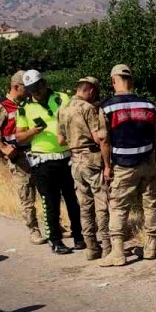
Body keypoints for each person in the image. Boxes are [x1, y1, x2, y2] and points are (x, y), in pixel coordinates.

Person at [99, 64, 156, 267]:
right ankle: (151, 247)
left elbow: (104, 141)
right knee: (151, 204)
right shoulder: (148, 105)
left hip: (123, 166)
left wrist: (107, 166)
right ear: (132, 81)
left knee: (118, 207)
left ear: (113, 81)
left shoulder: (107, 107)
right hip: (148, 161)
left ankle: (118, 253)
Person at [15, 69, 84, 255]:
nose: (35, 92)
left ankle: (79, 236)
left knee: (73, 200)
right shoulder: (24, 108)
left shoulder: (62, 98)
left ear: (43, 83)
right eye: (31, 89)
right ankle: (55, 241)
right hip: (43, 160)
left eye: (37, 87)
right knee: (50, 202)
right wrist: (33, 132)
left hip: (67, 156)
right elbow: (19, 136)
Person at [0, 71, 45, 246]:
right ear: (16, 87)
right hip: (19, 157)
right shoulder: (2, 107)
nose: (30, 90)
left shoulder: (28, 103)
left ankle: (53, 226)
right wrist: (3, 147)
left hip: (37, 153)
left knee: (46, 191)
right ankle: (33, 230)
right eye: (26, 87)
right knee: (27, 196)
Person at [57, 76, 110, 260]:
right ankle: (107, 245)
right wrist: (108, 164)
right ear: (92, 91)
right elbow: (99, 138)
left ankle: (91, 247)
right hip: (91, 158)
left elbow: (60, 140)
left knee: (85, 205)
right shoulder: (88, 109)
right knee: (102, 202)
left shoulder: (62, 109)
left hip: (74, 159)